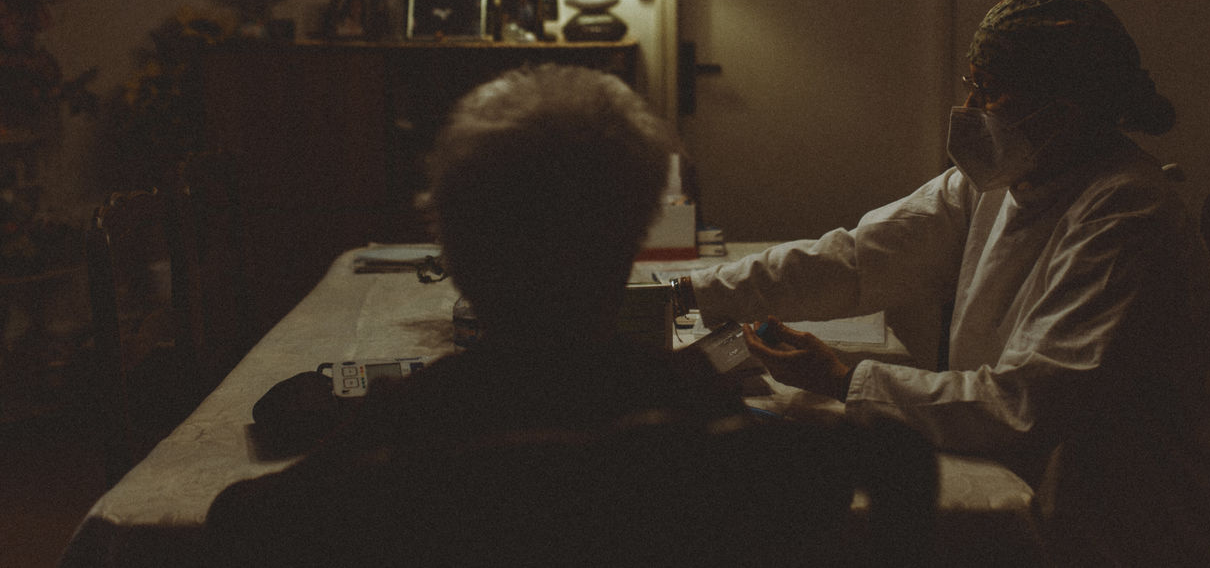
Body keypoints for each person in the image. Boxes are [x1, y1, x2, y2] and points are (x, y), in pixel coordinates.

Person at [204, 65, 934, 567]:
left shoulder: (397, 428)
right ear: (634, 242)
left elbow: (240, 519)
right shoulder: (713, 418)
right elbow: (883, 464)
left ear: (451, 246)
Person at [674, 0, 1210, 566]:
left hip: (1141, 525)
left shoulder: (1128, 212)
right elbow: (858, 259)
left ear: (1062, 112)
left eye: (988, 91)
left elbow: (1023, 405)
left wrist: (842, 378)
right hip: (1044, 487)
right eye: (973, 85)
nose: (969, 109)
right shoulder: (1003, 180)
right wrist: (693, 290)